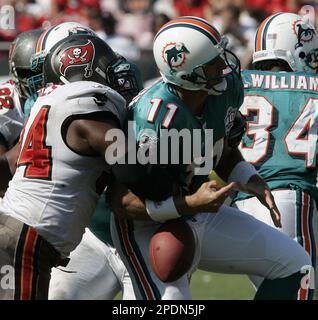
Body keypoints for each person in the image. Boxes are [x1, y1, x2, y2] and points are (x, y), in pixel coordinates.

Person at [0, 33, 226, 300]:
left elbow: (8, 164)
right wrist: (179, 195)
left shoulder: (48, 104)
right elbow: (130, 168)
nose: (118, 74)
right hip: (28, 238)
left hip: (16, 229)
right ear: (82, 70)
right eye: (108, 67)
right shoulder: (87, 103)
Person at [110, 16, 312, 300]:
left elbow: (221, 149)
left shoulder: (223, 90)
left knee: (297, 265)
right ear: (187, 74)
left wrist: (248, 178)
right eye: (212, 62)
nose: (224, 66)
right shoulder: (152, 118)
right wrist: (189, 203)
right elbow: (121, 201)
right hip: (147, 226)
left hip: (200, 209)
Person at [232, 12, 318, 300]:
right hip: (288, 201)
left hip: (239, 205)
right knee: (298, 292)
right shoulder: (312, 88)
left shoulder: (235, 85)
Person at [0, 29, 43, 158]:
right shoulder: (6, 104)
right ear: (16, 72)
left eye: (44, 70)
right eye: (31, 73)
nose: (42, 80)